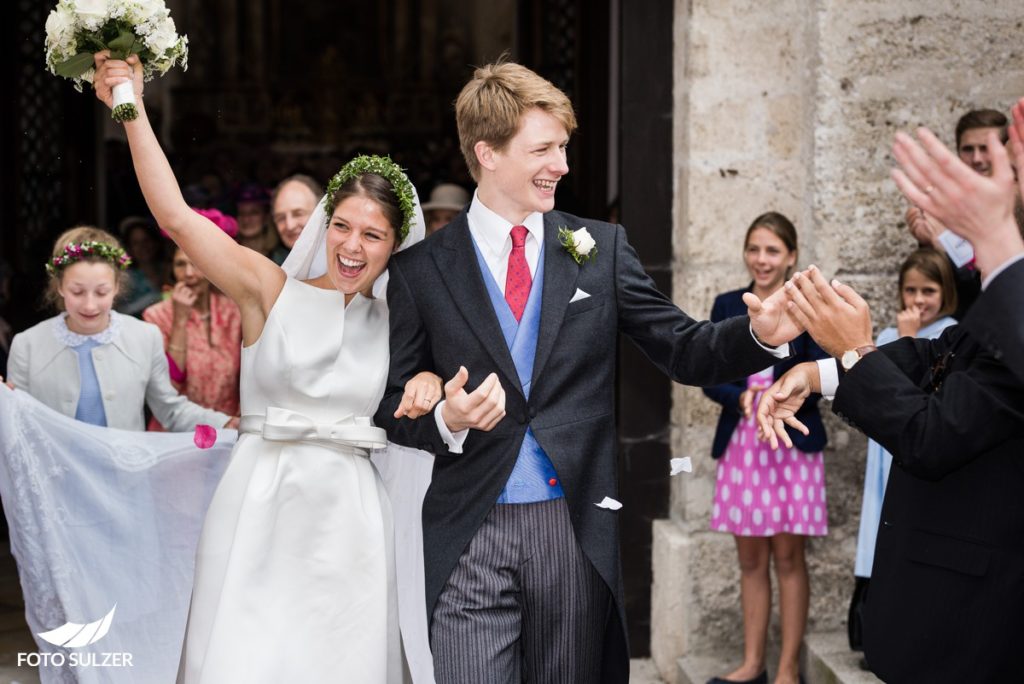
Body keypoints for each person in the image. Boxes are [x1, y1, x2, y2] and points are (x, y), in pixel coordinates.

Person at [373, 60, 803, 683]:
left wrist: (759, 334)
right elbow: (390, 406)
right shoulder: (421, 270)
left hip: (570, 529)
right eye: (543, 148)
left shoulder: (599, 248)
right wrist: (445, 417)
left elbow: (684, 347)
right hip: (468, 529)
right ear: (487, 153)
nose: (563, 165)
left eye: (564, 147)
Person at [94, 54, 440, 682]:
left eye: (373, 235)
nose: (352, 247)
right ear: (323, 223)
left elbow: (431, 384)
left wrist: (432, 381)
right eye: (341, 226)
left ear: (396, 245)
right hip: (260, 501)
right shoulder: (267, 288)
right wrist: (131, 106)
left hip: (353, 518)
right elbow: (175, 217)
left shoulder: (402, 323)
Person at [754, 119, 1024, 681]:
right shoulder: (1000, 304)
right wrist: (819, 371)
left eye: (1010, 172)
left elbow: (935, 437)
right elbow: (939, 356)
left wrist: (853, 349)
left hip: (979, 627)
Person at [702, 213, 827, 684]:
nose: (762, 259)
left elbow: (822, 374)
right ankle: (753, 664)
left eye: (773, 250)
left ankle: (788, 671)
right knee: (751, 561)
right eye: (754, 248)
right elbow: (709, 374)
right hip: (743, 447)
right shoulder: (727, 304)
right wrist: (740, 397)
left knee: (789, 559)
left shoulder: (810, 309)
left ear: (791, 255)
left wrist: (785, 394)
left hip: (791, 443)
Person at [6, 225, 233, 433]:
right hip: (54, 475)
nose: (90, 305)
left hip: (123, 474)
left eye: (101, 292)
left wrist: (225, 422)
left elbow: (170, 409)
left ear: (117, 287)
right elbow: (17, 424)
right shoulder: (27, 345)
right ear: (59, 287)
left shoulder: (145, 337)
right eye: (77, 292)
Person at [849, 247, 958, 653]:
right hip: (884, 456)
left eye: (927, 290)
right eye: (910, 289)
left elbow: (919, 398)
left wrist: (910, 341)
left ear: (944, 292)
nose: (917, 300)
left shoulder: (949, 334)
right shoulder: (888, 336)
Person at [142, 210, 243, 431]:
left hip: (228, 429)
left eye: (195, 263)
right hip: (176, 433)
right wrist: (179, 320)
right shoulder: (156, 315)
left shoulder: (233, 311)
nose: (188, 273)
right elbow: (169, 385)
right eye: (180, 264)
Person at [117, 215, 167, 316]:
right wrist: (156, 297)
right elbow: (120, 312)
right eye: (136, 243)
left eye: (146, 240)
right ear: (129, 248)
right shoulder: (126, 277)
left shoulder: (171, 270)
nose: (142, 246)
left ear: (155, 243)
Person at [270, 174, 322, 264]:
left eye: (298, 214)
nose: (290, 225)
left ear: (320, 213)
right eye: (281, 218)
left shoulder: (341, 263)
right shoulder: (273, 266)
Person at [233, 182, 278, 258]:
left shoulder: (282, 258)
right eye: (242, 213)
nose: (246, 219)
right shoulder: (228, 253)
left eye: (254, 212)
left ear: (266, 218)